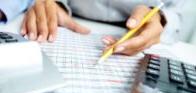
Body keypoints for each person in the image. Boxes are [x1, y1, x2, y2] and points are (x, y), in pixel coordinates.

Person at [21, 0, 183, 56]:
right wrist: (55, 3)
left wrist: (161, 18)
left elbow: (180, 13)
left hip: (138, 29)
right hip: (69, 18)